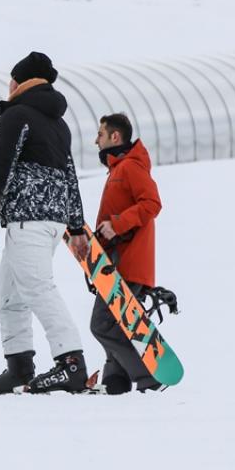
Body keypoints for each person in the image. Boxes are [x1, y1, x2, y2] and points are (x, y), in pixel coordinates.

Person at [0, 52, 91, 395]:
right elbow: (70, 175)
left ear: (20, 82)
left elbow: (2, 166)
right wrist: (75, 226)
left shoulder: (17, 116)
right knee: (9, 293)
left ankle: (71, 364)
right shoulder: (59, 123)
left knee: (38, 288)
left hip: (28, 219)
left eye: (11, 80)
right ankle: (19, 366)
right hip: (51, 220)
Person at [90, 113, 164, 394]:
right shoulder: (117, 169)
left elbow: (152, 204)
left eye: (100, 134)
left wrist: (117, 224)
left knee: (102, 324)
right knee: (118, 322)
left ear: (115, 136)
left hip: (129, 262)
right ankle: (116, 378)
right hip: (114, 262)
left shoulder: (130, 167)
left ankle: (148, 374)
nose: (96, 140)